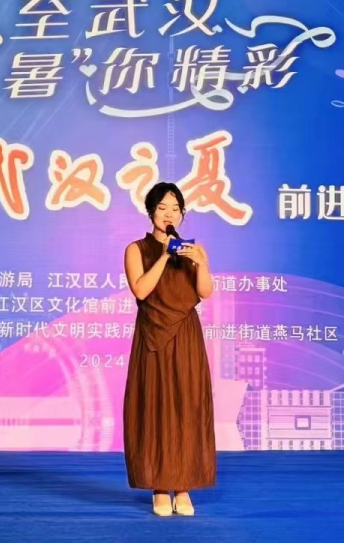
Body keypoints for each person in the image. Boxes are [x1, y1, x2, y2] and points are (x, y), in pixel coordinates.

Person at [122, 181, 216, 516]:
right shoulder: (136, 249)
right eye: (162, 208)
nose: (169, 214)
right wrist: (164, 256)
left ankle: (184, 485)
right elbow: (141, 290)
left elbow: (205, 292)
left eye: (175, 209)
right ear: (151, 212)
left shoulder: (194, 250)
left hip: (186, 335)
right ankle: (160, 487)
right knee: (157, 408)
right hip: (154, 337)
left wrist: (201, 263)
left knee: (188, 407)